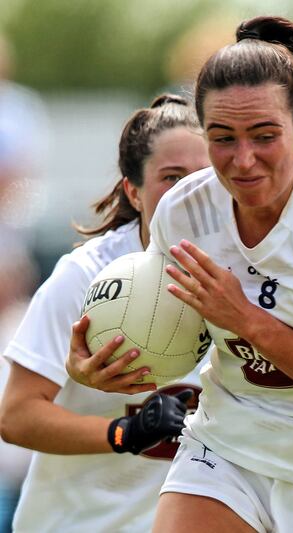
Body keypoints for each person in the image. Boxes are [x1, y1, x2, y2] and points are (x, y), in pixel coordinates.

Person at [66, 16, 293, 533]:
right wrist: (106, 363)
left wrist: (243, 317)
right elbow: (172, 332)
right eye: (222, 138)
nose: (244, 160)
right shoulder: (183, 212)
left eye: (264, 136)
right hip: (230, 440)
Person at [0, 94, 210, 532]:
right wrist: (123, 433)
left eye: (205, 177)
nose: (191, 193)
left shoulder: (252, 272)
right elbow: (16, 416)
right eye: (172, 177)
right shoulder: (87, 276)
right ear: (133, 191)